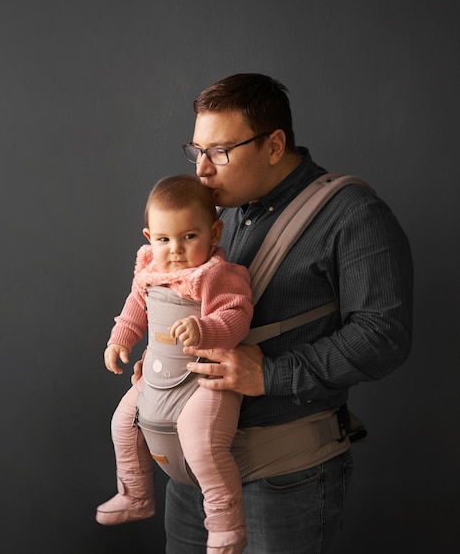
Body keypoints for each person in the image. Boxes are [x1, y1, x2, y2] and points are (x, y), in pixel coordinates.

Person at [133, 74, 413, 553]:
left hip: (283, 479)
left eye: (219, 151)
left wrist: (273, 376)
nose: (202, 170)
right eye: (195, 150)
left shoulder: (354, 215)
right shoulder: (225, 214)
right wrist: (169, 364)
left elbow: (383, 334)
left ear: (274, 144)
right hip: (195, 475)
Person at [97, 175, 254, 553]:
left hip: (205, 379)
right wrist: (120, 339)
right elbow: (136, 307)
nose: (176, 250)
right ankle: (135, 494)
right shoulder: (151, 269)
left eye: (189, 237)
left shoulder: (216, 275)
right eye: (165, 240)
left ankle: (225, 528)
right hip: (157, 375)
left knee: (201, 444)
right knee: (123, 422)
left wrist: (205, 329)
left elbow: (237, 317)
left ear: (214, 234)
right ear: (150, 238)